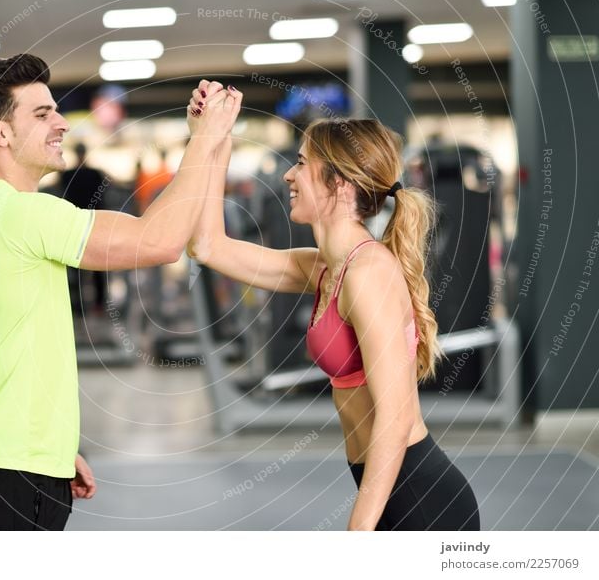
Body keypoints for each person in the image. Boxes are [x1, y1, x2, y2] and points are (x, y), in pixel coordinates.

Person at [0, 54, 241, 530]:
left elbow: (11, 351)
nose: (61, 122)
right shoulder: (23, 214)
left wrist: (60, 448)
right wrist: (204, 137)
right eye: (41, 114)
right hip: (10, 472)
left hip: (15, 460)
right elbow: (161, 241)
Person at [187, 81, 479, 531]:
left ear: (339, 184)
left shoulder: (368, 274)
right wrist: (210, 139)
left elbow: (396, 417)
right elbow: (207, 246)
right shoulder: (325, 268)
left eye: (302, 164)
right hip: (385, 488)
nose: (289, 174)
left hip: (421, 502)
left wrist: (356, 534)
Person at [45, 142, 107, 313]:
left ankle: (78, 306)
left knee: (75, 266)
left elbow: (61, 195)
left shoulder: (68, 175)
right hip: (93, 224)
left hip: (73, 226)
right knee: (98, 267)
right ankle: (99, 304)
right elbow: (103, 198)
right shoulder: (95, 173)